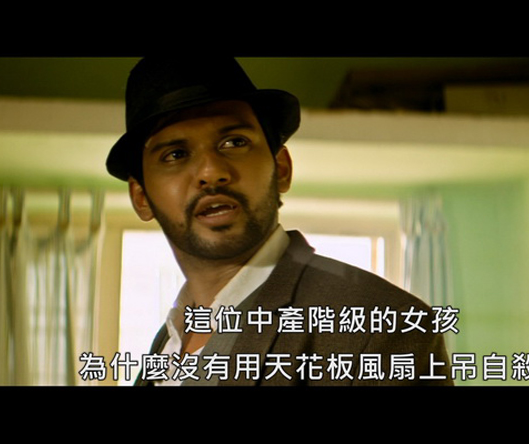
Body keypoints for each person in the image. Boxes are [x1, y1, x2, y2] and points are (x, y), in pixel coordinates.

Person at [106, 57, 453, 386]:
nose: (211, 172)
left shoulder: (380, 325)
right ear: (141, 197)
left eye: (234, 142)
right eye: (175, 154)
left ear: (282, 168)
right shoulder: (170, 339)